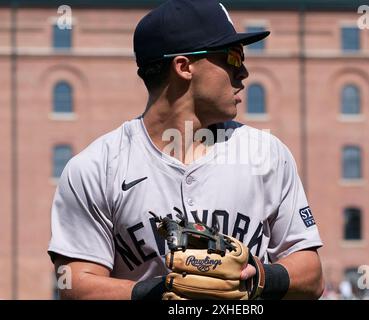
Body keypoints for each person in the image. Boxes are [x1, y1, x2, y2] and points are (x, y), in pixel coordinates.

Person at [48, 0, 324, 300]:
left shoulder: (268, 154)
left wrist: (259, 275)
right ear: (184, 66)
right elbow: (73, 285)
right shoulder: (96, 167)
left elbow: (312, 274)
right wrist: (159, 292)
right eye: (232, 57)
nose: (243, 72)